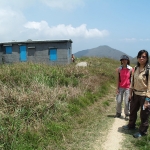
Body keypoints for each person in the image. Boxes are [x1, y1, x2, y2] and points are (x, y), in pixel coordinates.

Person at [122, 50, 150, 138]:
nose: (141, 58)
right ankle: (131, 125)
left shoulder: (148, 70)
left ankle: (142, 131)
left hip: (144, 96)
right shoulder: (135, 68)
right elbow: (132, 82)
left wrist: (147, 100)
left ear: (147, 58)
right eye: (140, 56)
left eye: (144, 57)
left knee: (144, 114)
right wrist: (130, 94)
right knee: (133, 111)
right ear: (137, 58)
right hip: (135, 94)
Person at [114, 55, 133, 120]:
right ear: (121, 61)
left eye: (125, 60)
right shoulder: (119, 69)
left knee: (127, 102)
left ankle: (127, 114)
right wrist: (117, 88)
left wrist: (131, 89)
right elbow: (117, 79)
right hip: (120, 87)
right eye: (122, 60)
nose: (124, 61)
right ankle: (118, 113)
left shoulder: (130, 69)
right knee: (119, 101)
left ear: (127, 61)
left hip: (128, 87)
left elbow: (132, 79)